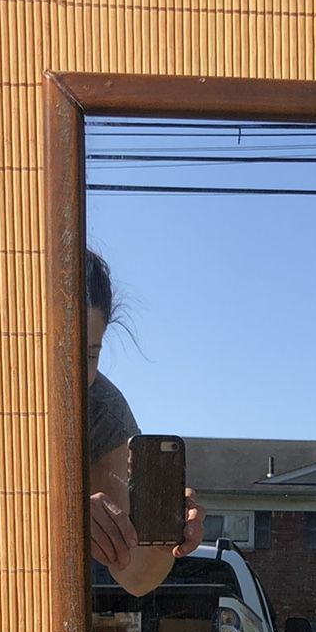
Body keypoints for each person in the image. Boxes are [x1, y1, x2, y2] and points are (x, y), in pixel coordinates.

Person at [84, 248, 202, 592]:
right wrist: (60, 511)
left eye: (91, 354)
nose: (75, 370)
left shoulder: (103, 411)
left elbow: (134, 574)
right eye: (60, 349)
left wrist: (165, 537)